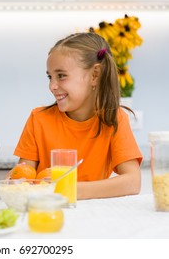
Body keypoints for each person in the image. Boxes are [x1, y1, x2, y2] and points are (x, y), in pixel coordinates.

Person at [13, 32, 143, 199]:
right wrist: (13, 182)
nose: (52, 86)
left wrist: (67, 189)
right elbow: (23, 176)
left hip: (92, 216)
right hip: (48, 211)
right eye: (50, 77)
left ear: (95, 75)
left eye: (61, 76)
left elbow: (133, 182)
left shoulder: (115, 119)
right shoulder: (38, 119)